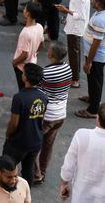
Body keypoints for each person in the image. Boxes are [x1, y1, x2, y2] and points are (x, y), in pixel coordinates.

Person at [4, 63, 47, 187]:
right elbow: (40, 118)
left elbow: (14, 123)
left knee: (7, 167)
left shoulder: (19, 98)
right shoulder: (43, 97)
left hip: (19, 142)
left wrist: (8, 134)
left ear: (25, 78)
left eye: (23, 73)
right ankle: (25, 194)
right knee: (28, 170)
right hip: (36, 141)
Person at [36, 43, 72, 184]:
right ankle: (42, 171)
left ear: (52, 55)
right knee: (48, 145)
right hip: (60, 114)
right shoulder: (67, 68)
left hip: (48, 115)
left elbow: (38, 87)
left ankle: (36, 173)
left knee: (34, 144)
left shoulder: (46, 73)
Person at [77, 0, 105, 120]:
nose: (91, 0)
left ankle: (93, 109)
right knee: (93, 78)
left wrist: (88, 62)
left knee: (95, 80)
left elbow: (96, 43)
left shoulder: (100, 20)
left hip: (97, 56)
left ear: (98, 3)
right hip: (99, 54)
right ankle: (93, 98)